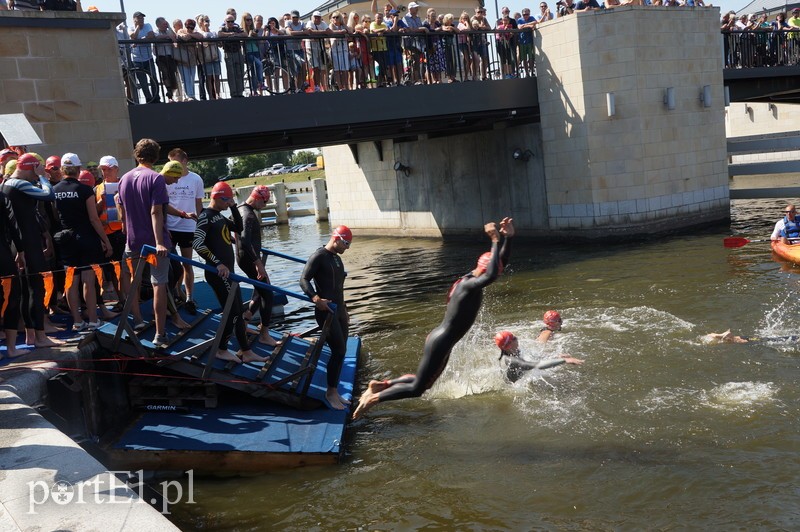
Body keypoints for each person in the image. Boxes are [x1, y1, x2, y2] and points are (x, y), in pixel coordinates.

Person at [353, 218, 515, 419]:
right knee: (417, 389)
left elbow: (496, 266)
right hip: (442, 340)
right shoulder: (469, 286)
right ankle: (373, 399)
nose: (496, 275)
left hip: (441, 338)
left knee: (424, 382)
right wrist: (494, 239)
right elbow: (491, 274)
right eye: (495, 270)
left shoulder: (469, 279)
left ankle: (380, 386)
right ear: (484, 269)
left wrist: (507, 238)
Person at [193, 181, 268, 364]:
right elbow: (197, 243)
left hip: (228, 273)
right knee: (233, 313)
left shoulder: (219, 216)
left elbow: (238, 228)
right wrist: (217, 263)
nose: (229, 204)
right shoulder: (206, 217)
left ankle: (246, 351)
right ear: (218, 198)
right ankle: (221, 349)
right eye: (227, 201)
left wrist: (234, 207)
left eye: (231, 201)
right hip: (219, 274)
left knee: (238, 311)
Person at [117, 138, 176, 345]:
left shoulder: (123, 179)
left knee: (133, 281)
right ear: (156, 156)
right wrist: (159, 241)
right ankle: (160, 334)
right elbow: (156, 211)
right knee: (159, 283)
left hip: (132, 242)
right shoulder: (156, 179)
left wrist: (126, 228)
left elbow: (121, 209)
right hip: (153, 242)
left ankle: (139, 321)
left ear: (137, 154)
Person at [2, 153, 63, 347]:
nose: (38, 174)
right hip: (29, 243)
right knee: (36, 289)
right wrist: (43, 177)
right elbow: (48, 194)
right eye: (37, 169)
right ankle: (40, 336)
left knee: (27, 291)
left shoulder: (5, 184)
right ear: (32, 167)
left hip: (18, 244)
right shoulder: (18, 183)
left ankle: (32, 336)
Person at [53, 155, 113, 331]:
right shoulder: (86, 190)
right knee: (88, 279)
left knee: (71, 281)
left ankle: (77, 321)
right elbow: (94, 219)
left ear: (62, 169)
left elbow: (56, 217)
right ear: (79, 170)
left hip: (66, 238)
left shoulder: (54, 190)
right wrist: (106, 240)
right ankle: (93, 320)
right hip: (86, 238)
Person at [299, 225, 355, 410]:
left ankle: (334, 390)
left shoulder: (337, 260)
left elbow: (339, 289)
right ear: (336, 238)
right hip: (326, 312)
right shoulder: (319, 256)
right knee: (338, 351)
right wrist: (316, 299)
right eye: (345, 243)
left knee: (342, 351)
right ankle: (330, 392)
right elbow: (304, 279)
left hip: (339, 311)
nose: (347, 247)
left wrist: (345, 311)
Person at [236, 186, 278, 346]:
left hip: (243, 257)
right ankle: (264, 334)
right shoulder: (248, 215)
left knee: (260, 292)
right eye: (266, 202)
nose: (266, 205)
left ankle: (245, 322)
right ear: (258, 198)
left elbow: (239, 237)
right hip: (249, 259)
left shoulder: (241, 209)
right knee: (268, 294)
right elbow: (246, 241)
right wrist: (258, 263)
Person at [166, 148, 204, 313]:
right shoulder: (168, 178)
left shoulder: (195, 179)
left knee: (187, 263)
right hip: (170, 226)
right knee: (170, 264)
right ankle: (175, 291)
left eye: (175, 162)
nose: (172, 165)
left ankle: (189, 297)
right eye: (170, 162)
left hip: (189, 227)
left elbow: (199, 204)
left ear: (184, 161)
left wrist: (202, 225)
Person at [494, 330, 583, 383]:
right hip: (514, 386)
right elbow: (539, 365)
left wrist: (557, 356)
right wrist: (564, 360)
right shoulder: (512, 361)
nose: (517, 338)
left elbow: (535, 357)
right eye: (514, 338)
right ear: (509, 345)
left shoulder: (513, 351)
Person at [0, 187, 27, 358]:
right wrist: (21, 251)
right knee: (11, 297)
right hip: (2, 255)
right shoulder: (2, 198)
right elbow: (13, 225)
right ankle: (11, 348)